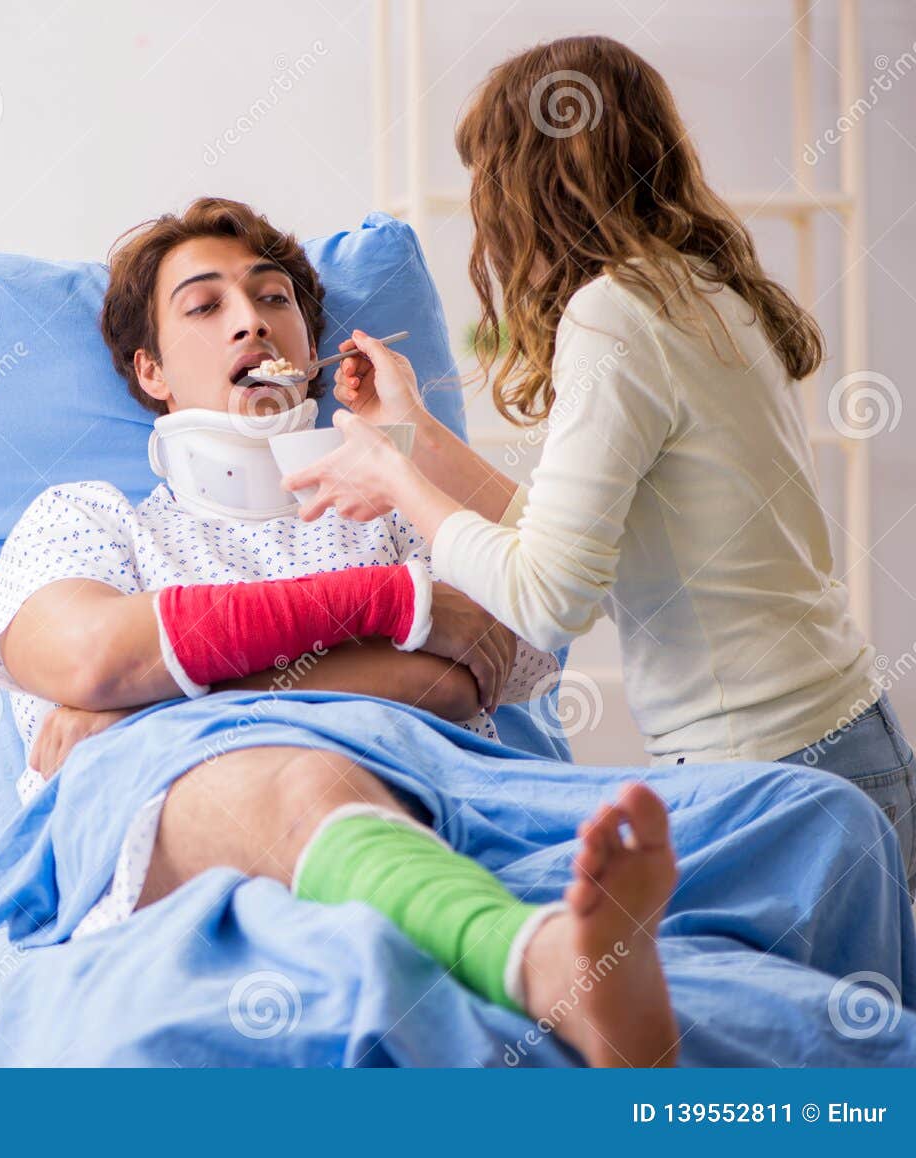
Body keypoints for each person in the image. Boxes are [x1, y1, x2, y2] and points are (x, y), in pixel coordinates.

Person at [0, 197, 685, 1066]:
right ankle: (537, 961)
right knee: (306, 778)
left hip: (432, 794)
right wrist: (393, 608)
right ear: (151, 371)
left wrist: (148, 704)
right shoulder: (92, 517)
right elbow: (88, 653)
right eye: (205, 305)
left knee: (814, 811)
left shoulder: (394, 505)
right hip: (159, 836)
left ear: (310, 349)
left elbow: (474, 668)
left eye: (275, 301)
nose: (251, 323)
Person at [284, 36, 915, 890]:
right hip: (836, 740)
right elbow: (562, 541)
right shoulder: (686, 289)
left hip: (777, 771)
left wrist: (394, 479)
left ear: (528, 184)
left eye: (487, 178)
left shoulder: (612, 318)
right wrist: (411, 431)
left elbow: (549, 601)